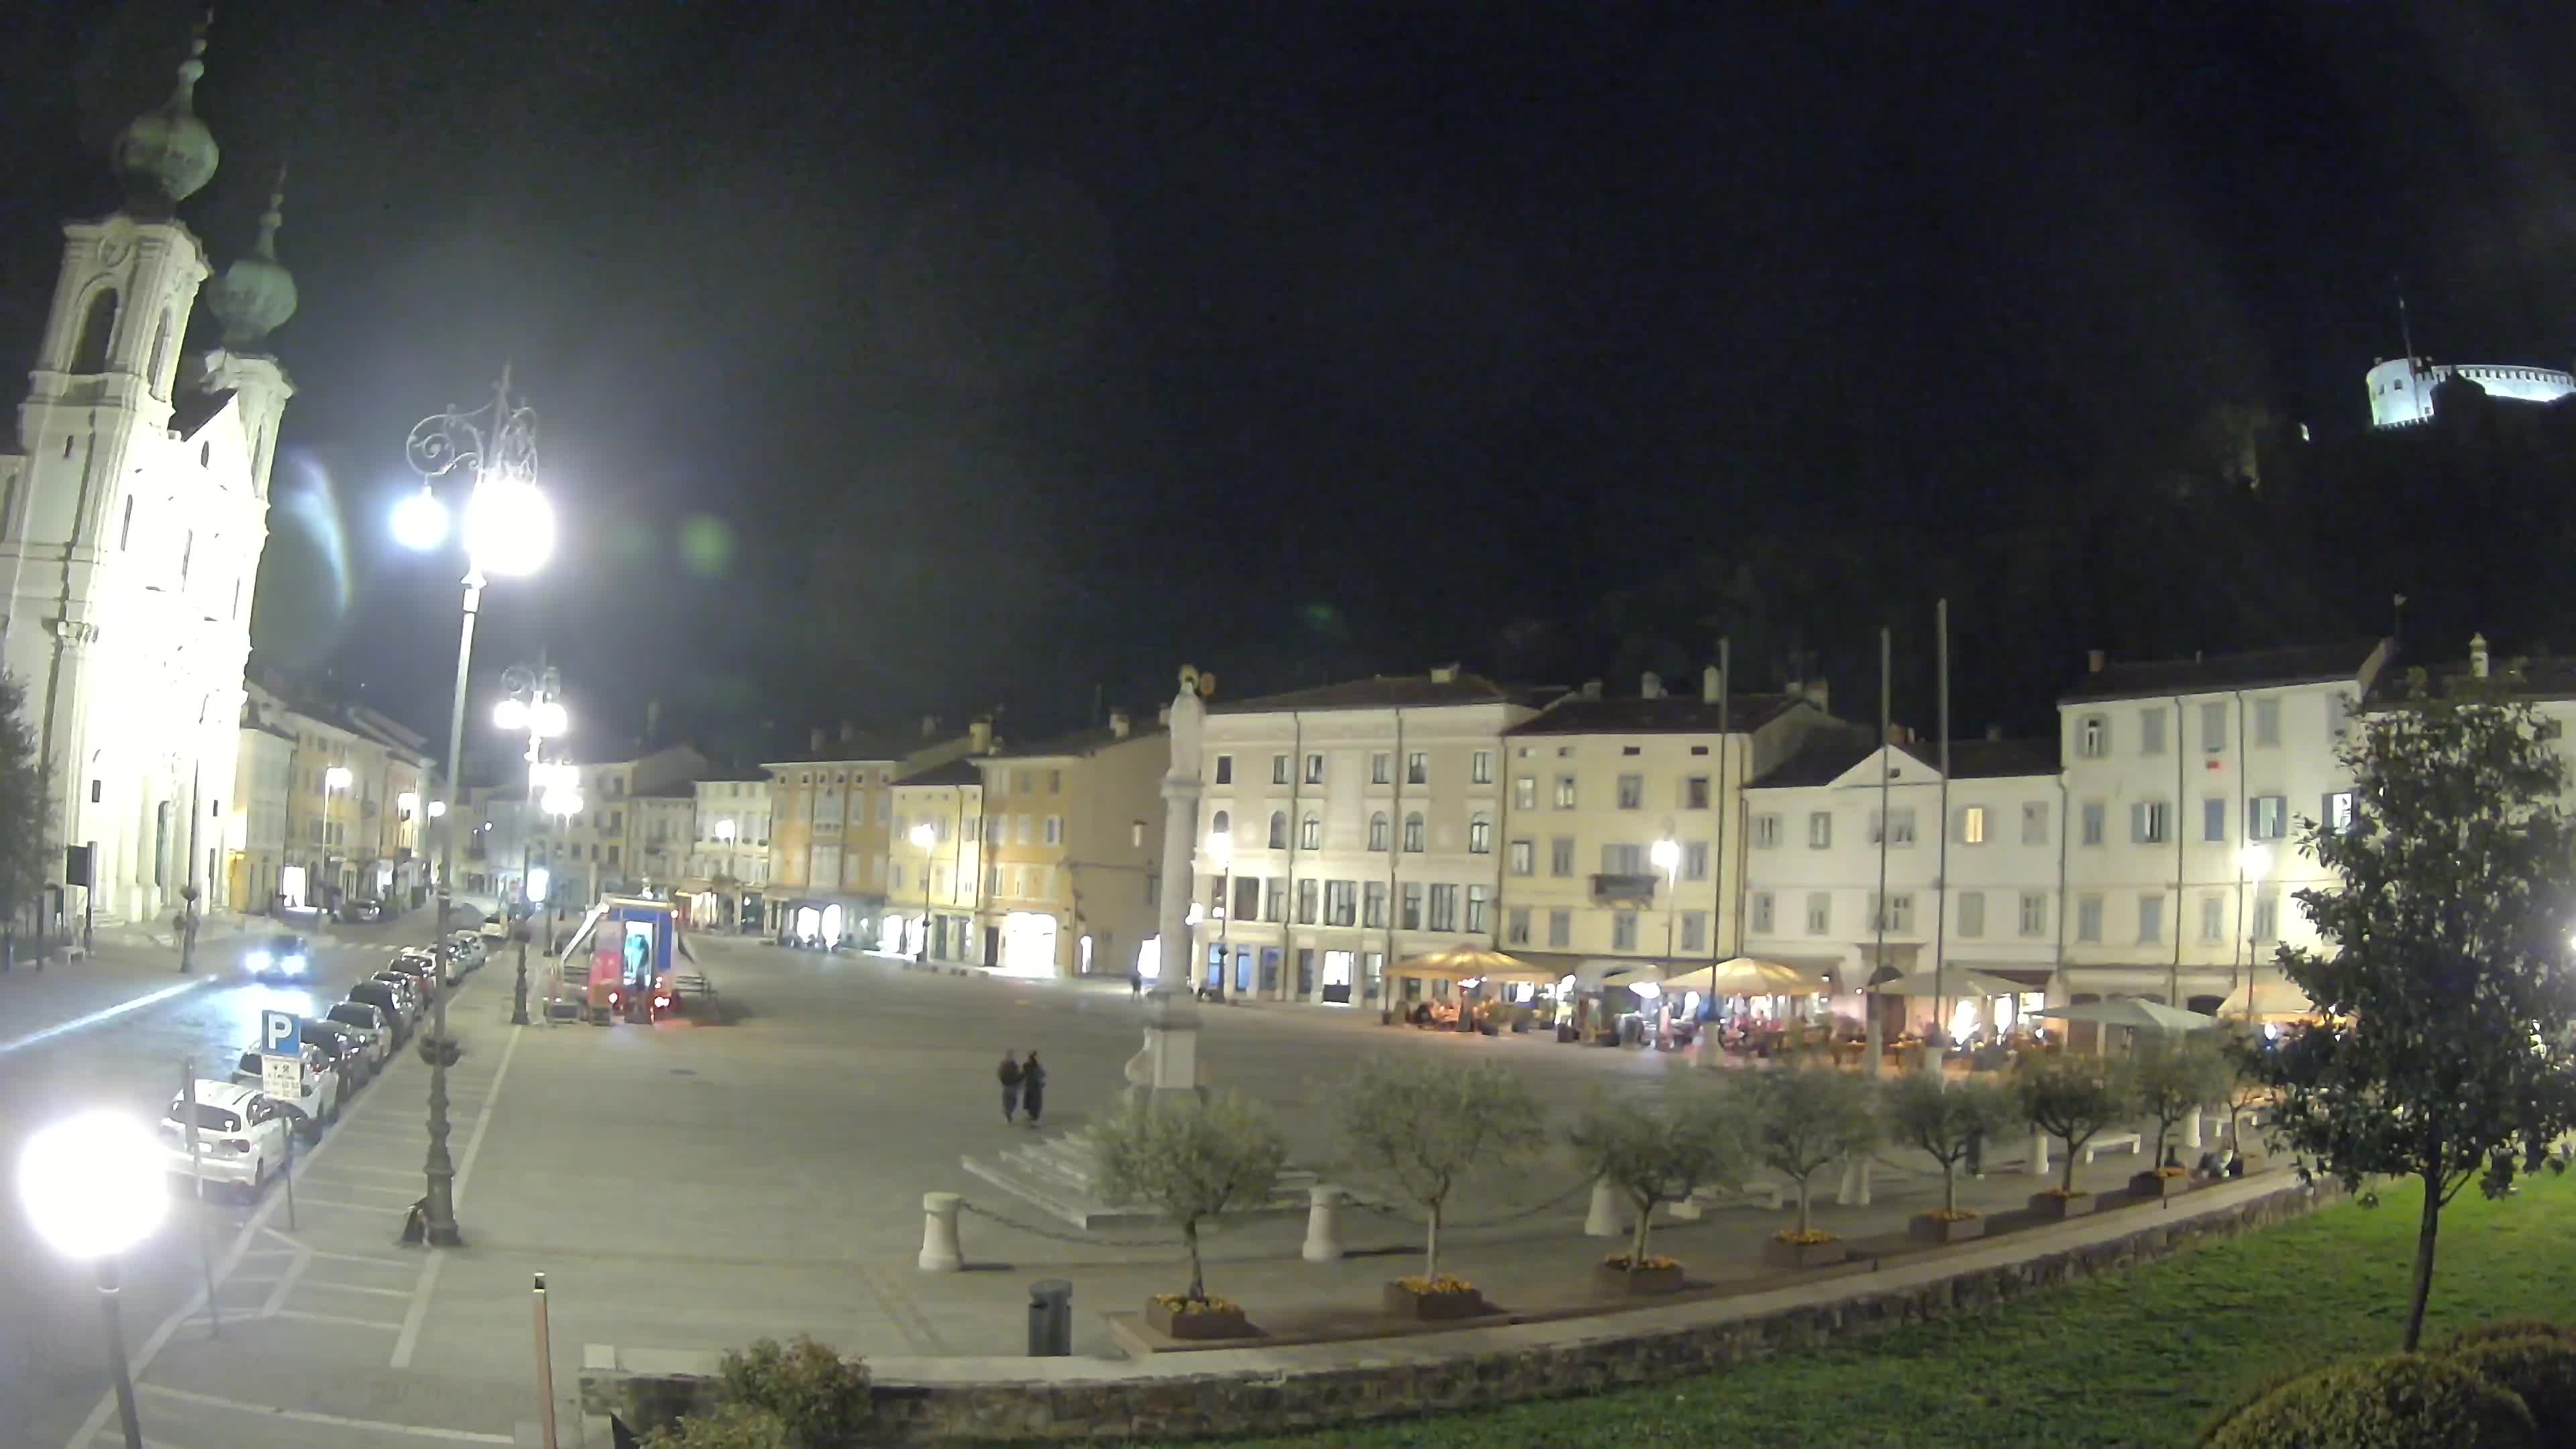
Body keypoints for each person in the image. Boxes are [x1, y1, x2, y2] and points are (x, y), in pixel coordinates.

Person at [1021, 1051, 1047, 1127]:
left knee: (1030, 1104)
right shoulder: (1037, 1067)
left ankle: (1032, 1119)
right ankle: (1034, 1120)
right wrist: (1041, 1083)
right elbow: (1042, 1075)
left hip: (1029, 1087)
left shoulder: (1026, 1066)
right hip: (1036, 1088)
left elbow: (1024, 1075)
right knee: (1036, 1104)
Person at [998, 1051, 1024, 1124]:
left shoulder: (1003, 1065)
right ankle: (1009, 1115)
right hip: (1012, 1087)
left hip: (1006, 1086)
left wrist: (1003, 1082)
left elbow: (1000, 1074)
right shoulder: (1014, 1065)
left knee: (1007, 1103)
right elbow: (1018, 1075)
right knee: (1013, 1102)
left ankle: (1008, 1115)